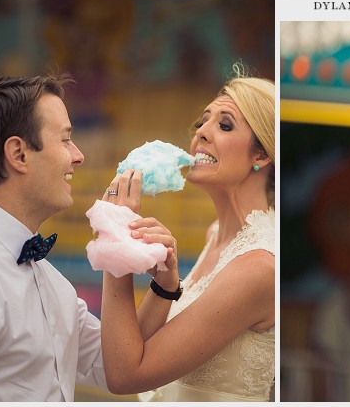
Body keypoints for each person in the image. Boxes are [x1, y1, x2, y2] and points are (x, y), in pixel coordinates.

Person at [99, 74, 275, 401]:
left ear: (261, 156)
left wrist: (116, 245)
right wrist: (165, 288)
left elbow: (124, 375)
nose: (201, 132)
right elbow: (131, 348)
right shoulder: (216, 236)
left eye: (224, 126)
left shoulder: (259, 266)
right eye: (201, 122)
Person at [0, 73, 107, 401]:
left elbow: (115, 365)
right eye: (66, 140)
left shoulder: (54, 284)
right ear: (19, 154)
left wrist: (162, 286)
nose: (78, 156)